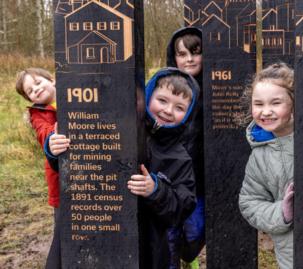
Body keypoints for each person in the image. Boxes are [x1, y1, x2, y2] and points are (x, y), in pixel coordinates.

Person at [47, 68, 199, 269]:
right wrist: (55, 150)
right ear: (147, 95)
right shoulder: (115, 126)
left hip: (147, 246)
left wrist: (156, 190)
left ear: (189, 114)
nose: (168, 111)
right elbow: (80, 164)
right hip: (94, 224)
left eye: (179, 107)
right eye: (162, 101)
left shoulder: (180, 157)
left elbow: (182, 207)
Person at [238, 62, 294, 269]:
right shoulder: (259, 155)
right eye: (259, 104)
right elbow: (249, 203)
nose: (266, 111)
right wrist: (283, 212)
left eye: (276, 103)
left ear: (294, 103)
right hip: (292, 254)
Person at [15, 67, 65, 268]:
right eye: (29, 91)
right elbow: (45, 134)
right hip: (61, 183)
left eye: (37, 83)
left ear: (51, 79)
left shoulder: (74, 93)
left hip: (88, 172)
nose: (35, 90)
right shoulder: (39, 114)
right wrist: (55, 135)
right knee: (63, 233)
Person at [166, 26, 205, 268]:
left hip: (200, 181)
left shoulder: (217, 88)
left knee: (195, 233)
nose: (189, 59)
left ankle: (188, 258)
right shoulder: (165, 86)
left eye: (195, 52)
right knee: (169, 238)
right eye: (182, 54)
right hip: (170, 179)